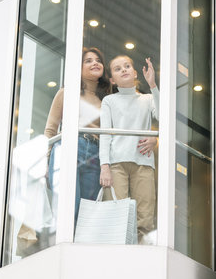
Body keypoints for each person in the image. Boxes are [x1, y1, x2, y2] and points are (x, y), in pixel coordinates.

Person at [44, 48, 157, 223]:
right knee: (68, 207)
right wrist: (45, 163)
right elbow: (50, 131)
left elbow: (139, 111)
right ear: (78, 67)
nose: (95, 63)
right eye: (88, 60)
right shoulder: (67, 92)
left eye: (98, 60)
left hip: (97, 155)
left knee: (87, 213)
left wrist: (154, 138)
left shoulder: (109, 97)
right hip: (70, 148)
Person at [99, 55, 159, 243]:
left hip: (144, 163)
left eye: (127, 66)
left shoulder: (148, 98)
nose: (123, 70)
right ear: (112, 80)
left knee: (145, 218)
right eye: (117, 69)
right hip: (116, 165)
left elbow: (164, 117)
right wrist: (105, 166)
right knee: (116, 216)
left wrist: (153, 85)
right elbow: (105, 135)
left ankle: (141, 261)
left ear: (134, 73)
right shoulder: (109, 101)